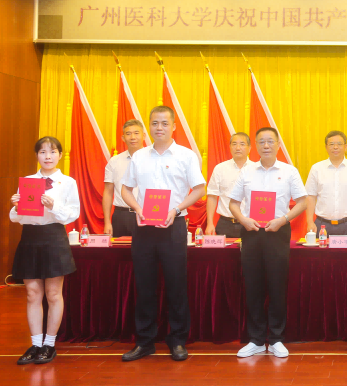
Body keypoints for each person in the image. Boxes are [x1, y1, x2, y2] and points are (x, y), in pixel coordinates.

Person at [120, 106, 206, 362]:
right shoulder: (139, 157)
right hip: (144, 227)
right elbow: (125, 189)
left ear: (173, 126)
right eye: (155, 123)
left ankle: (177, 340)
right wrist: (137, 208)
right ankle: (144, 342)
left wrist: (176, 210)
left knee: (176, 285)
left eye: (164, 123)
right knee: (144, 286)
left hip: (174, 226)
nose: (159, 128)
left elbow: (199, 189)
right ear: (149, 126)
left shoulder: (186, 156)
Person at [228, 127, 307, 359]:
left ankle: (276, 339)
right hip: (251, 231)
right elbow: (233, 203)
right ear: (255, 145)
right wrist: (243, 219)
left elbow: (302, 202)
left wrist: (283, 220)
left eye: (270, 141)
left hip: (278, 231)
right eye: (261, 141)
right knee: (253, 286)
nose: (266, 145)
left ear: (278, 144)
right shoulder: (247, 171)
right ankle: (255, 340)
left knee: (277, 286)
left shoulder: (289, 171)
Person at [10, 136, 80, 365]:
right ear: (37, 155)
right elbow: (17, 218)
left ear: (60, 155)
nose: (47, 156)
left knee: (53, 294)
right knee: (32, 293)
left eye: (52, 152)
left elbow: (73, 214)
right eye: (42, 152)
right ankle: (35, 344)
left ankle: (49, 344)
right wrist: (16, 206)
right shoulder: (28, 181)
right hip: (30, 237)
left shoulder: (68, 182)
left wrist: (53, 206)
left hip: (54, 237)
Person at [305, 131, 347, 238]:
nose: (335, 147)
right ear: (326, 147)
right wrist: (309, 221)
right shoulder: (316, 168)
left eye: (339, 144)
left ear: (345, 147)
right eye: (331, 144)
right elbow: (311, 197)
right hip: (322, 225)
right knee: (321, 250)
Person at [205, 132, 254, 238]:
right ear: (230, 147)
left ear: (249, 148)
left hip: (250, 224)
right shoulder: (220, 168)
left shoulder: (257, 169)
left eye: (242, 144)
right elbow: (212, 196)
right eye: (234, 144)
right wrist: (210, 223)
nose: (238, 148)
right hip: (225, 224)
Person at [103, 119, 145, 237]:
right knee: (119, 248)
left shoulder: (153, 159)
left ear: (144, 136)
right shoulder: (114, 161)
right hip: (121, 215)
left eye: (136, 133)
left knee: (146, 248)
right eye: (128, 134)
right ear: (123, 138)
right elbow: (108, 192)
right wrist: (107, 222)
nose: (133, 137)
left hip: (145, 214)